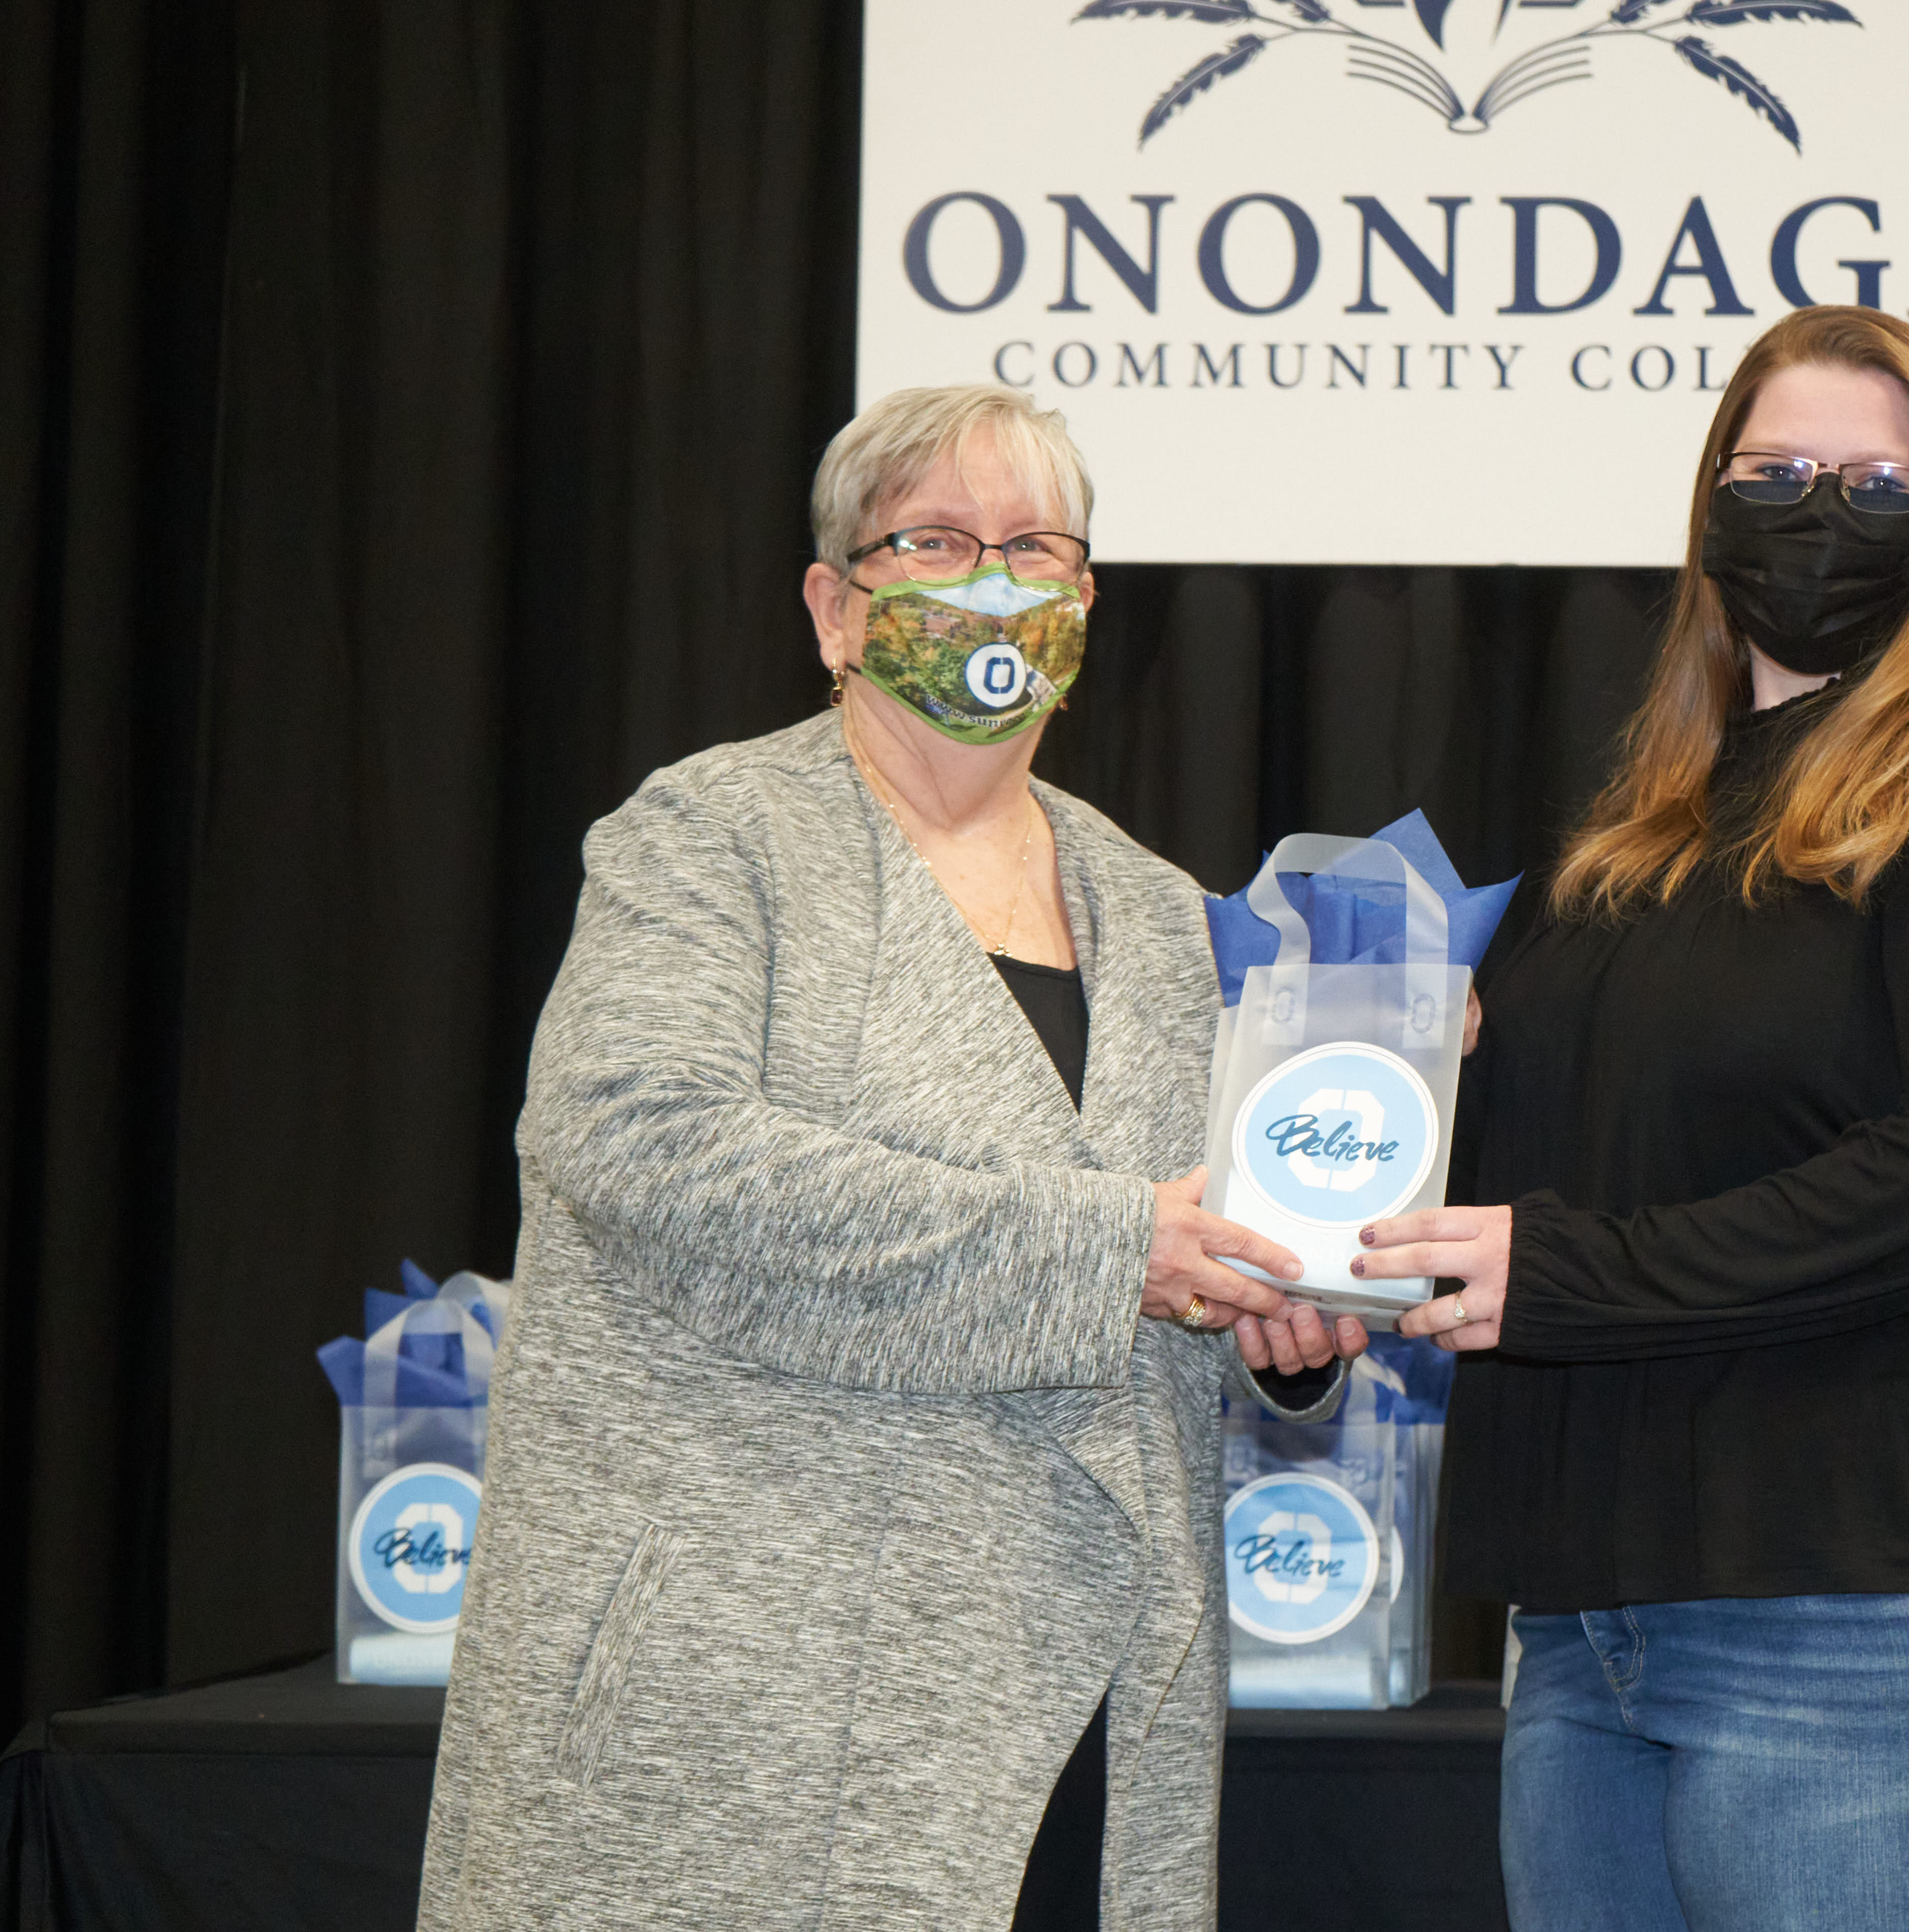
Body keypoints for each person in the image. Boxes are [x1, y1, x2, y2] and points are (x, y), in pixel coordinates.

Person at [1355, 307, 1909, 1931]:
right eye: (1774, 470)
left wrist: (1564, 1275)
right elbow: (1548, 1198)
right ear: (1709, 504)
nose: (1817, 513)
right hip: (1608, 1623)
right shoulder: (1644, 837)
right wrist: (1332, 1270)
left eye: (1879, 484)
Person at [419, 384, 1364, 1932]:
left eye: (1030, 547)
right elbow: (643, 1142)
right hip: (732, 1697)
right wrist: (1116, 1247)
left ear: (1082, 602)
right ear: (834, 607)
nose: (987, 582)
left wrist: (1291, 1322)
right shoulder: (708, 836)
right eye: (929, 541)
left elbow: (1211, 1240)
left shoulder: (1170, 915)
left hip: (1073, 1684)